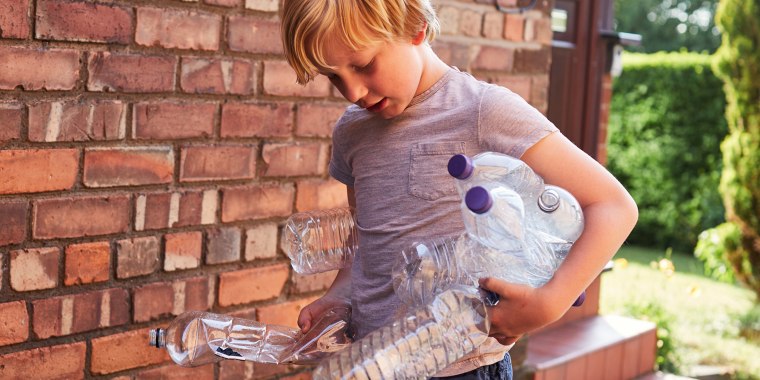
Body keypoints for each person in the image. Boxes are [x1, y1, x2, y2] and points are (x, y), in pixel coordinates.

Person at [280, 0, 638, 378]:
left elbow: (613, 206)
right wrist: (341, 295)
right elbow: (364, 238)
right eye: (333, 76)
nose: (352, 91)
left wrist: (550, 303)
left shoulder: (484, 110)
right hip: (373, 362)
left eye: (364, 65)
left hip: (460, 367)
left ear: (415, 25)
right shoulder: (351, 131)